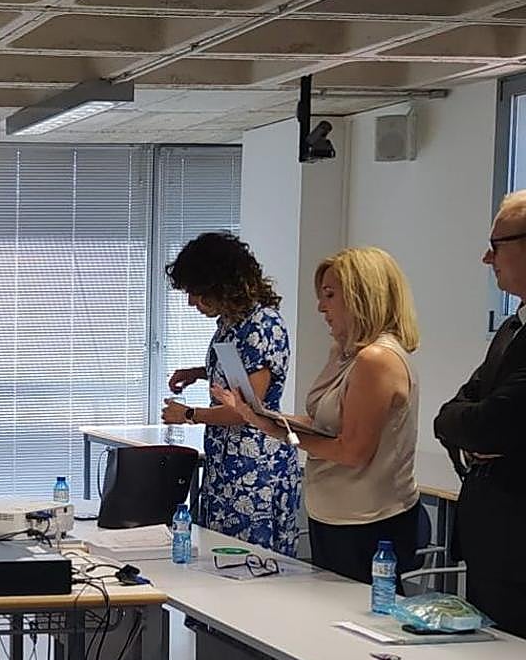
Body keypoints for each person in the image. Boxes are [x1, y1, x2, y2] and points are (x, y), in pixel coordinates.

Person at [216, 247, 423, 585]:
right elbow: (323, 426)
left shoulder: (377, 360)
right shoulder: (344, 353)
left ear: (361, 296)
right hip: (333, 513)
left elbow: (352, 451)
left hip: (367, 520)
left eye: (330, 295)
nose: (320, 307)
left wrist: (278, 430)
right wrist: (260, 417)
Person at [161, 232, 301, 557]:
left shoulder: (262, 326)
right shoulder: (232, 322)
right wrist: (197, 373)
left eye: (196, 292)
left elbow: (246, 409)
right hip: (227, 464)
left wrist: (189, 415)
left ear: (220, 285)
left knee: (248, 565)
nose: (191, 302)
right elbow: (238, 374)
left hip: (256, 471)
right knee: (217, 560)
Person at [434, 191, 526, 639]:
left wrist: (473, 428)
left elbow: (490, 424)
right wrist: (468, 428)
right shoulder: (512, 327)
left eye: (497, 244)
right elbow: (451, 413)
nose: (486, 257)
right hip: (492, 543)